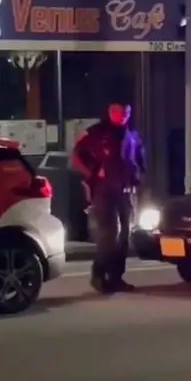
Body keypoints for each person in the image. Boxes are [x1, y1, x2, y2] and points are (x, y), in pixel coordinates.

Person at [72, 103, 146, 293]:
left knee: (125, 234)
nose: (122, 116)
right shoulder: (96, 132)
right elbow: (76, 157)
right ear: (110, 112)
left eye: (126, 112)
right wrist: (92, 174)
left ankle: (116, 277)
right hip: (104, 190)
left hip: (126, 189)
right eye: (119, 111)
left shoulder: (132, 134)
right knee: (110, 233)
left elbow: (139, 158)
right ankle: (98, 274)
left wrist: (138, 178)